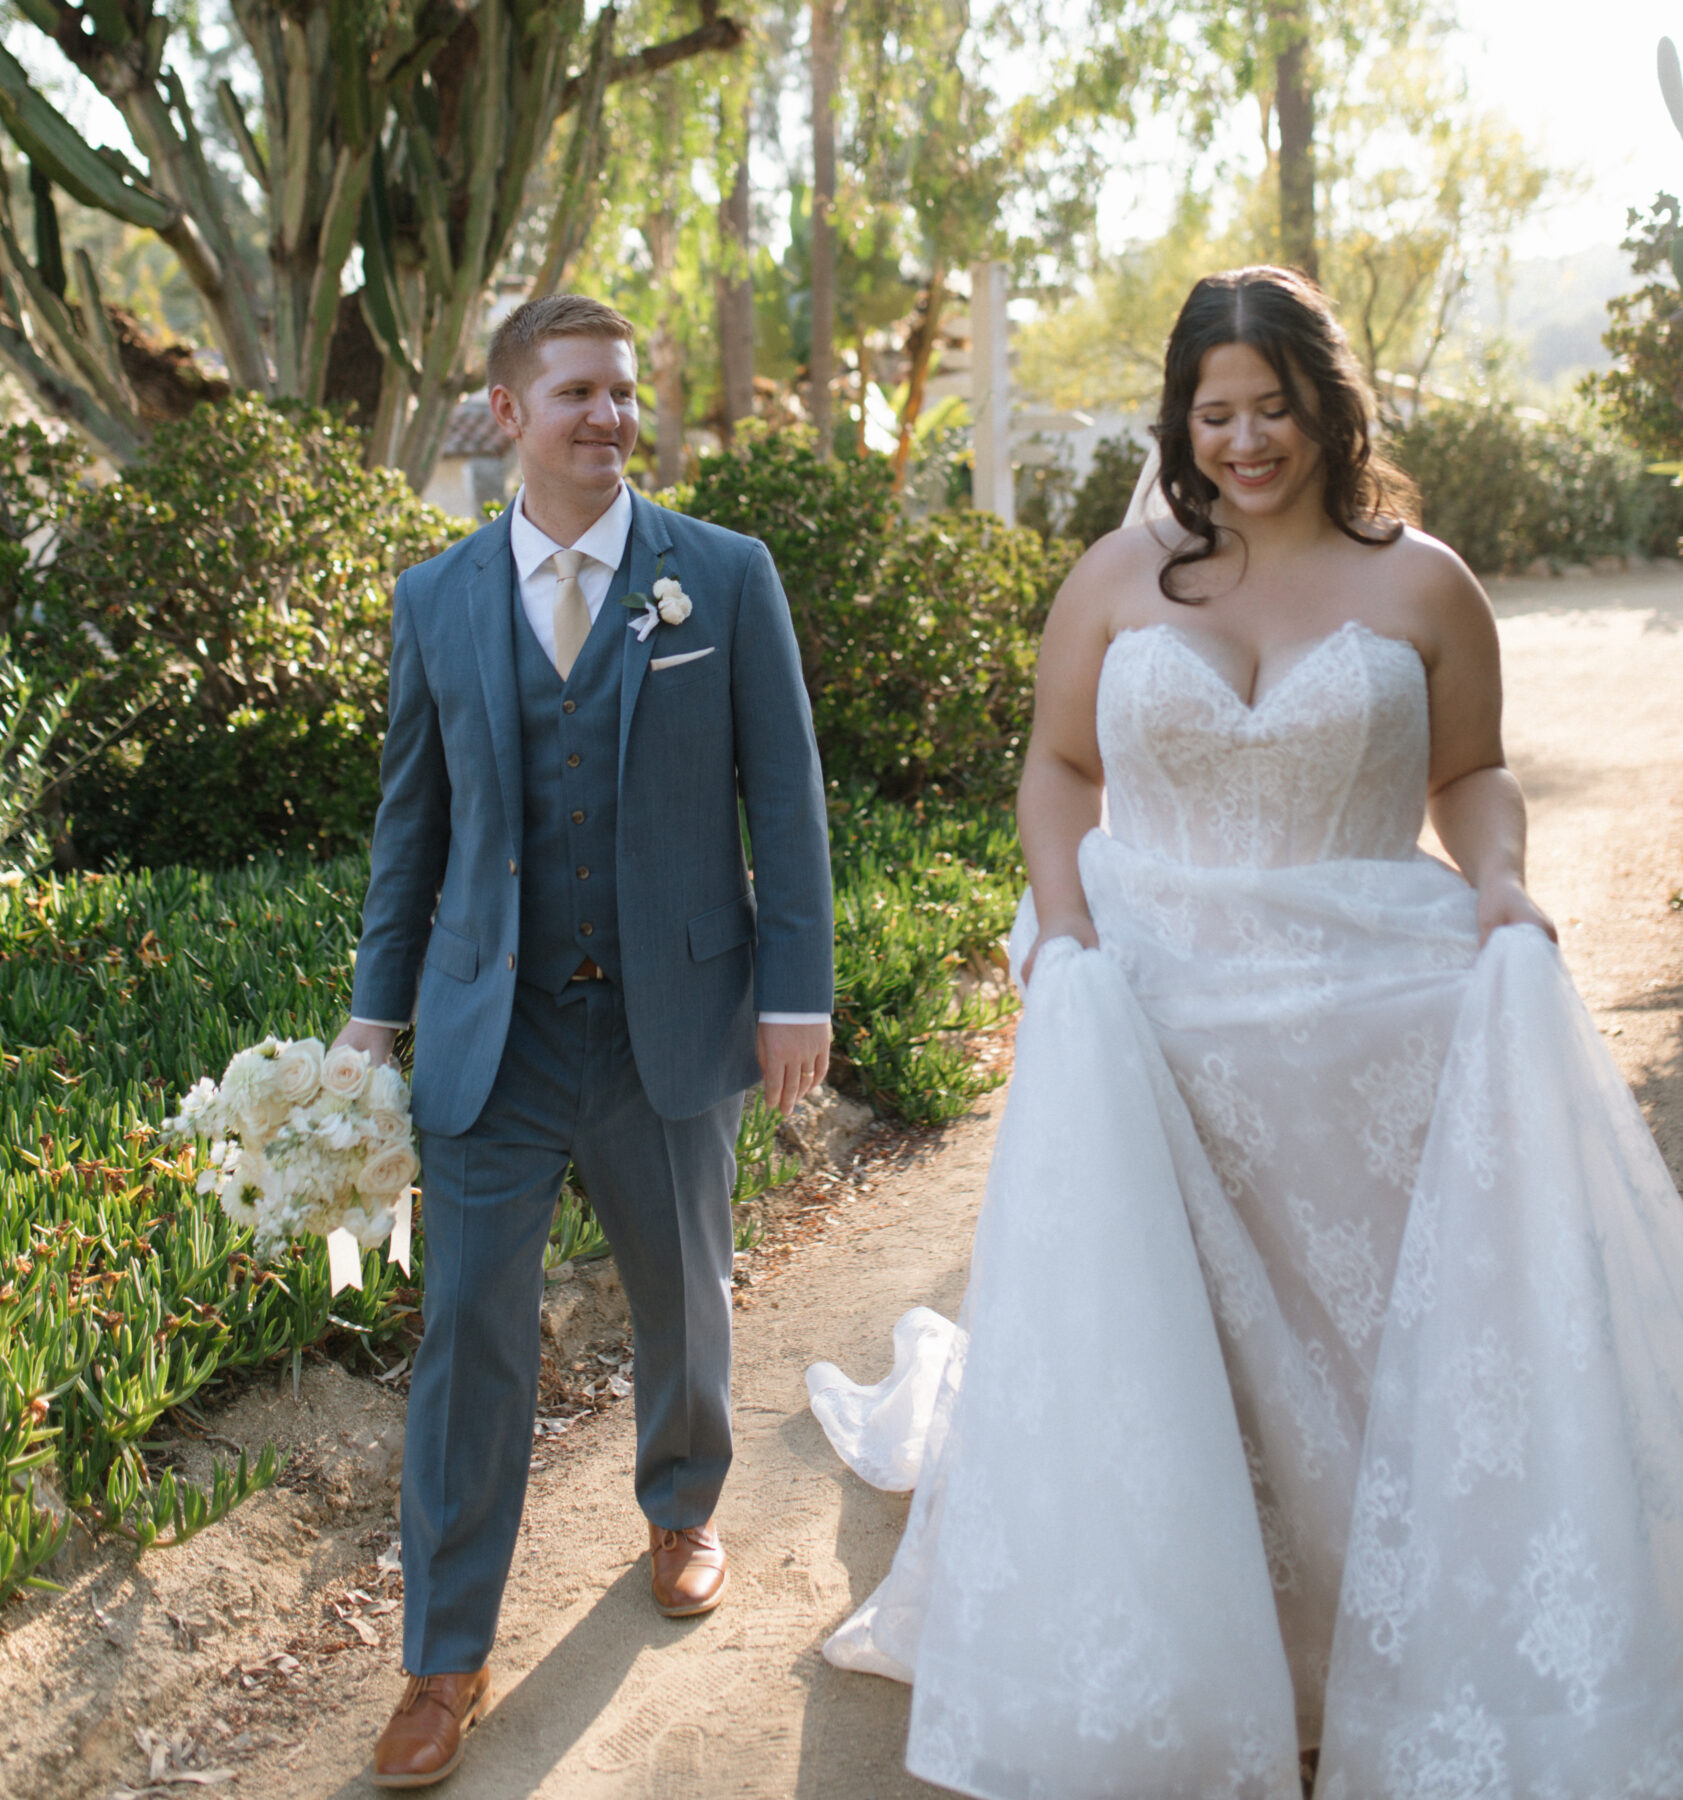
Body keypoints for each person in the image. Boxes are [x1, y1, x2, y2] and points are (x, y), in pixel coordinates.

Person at [807, 265, 1683, 1800]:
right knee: (1185, 1335)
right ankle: (1221, 1650)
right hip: (1157, 1004)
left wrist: (1501, 886)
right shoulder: (1116, 578)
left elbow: (1472, 774)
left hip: (1369, 1012)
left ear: (1326, 407)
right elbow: (1058, 769)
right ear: (1182, 420)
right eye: (1215, 413)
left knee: (1379, 1333)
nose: (1244, 440)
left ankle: (1395, 1631)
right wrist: (1065, 924)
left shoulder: (1424, 584)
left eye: (1271, 407)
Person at [333, 293, 835, 1790]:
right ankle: (443, 1659)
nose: (610, 417)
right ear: (507, 414)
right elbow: (408, 835)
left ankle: (683, 1510)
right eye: (578, 394)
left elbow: (787, 799)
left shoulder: (723, 580)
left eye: (624, 393)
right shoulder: (437, 600)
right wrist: (375, 1021)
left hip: (673, 1015)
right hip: (497, 1031)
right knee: (466, 1341)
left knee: (686, 1290)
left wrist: (795, 992)